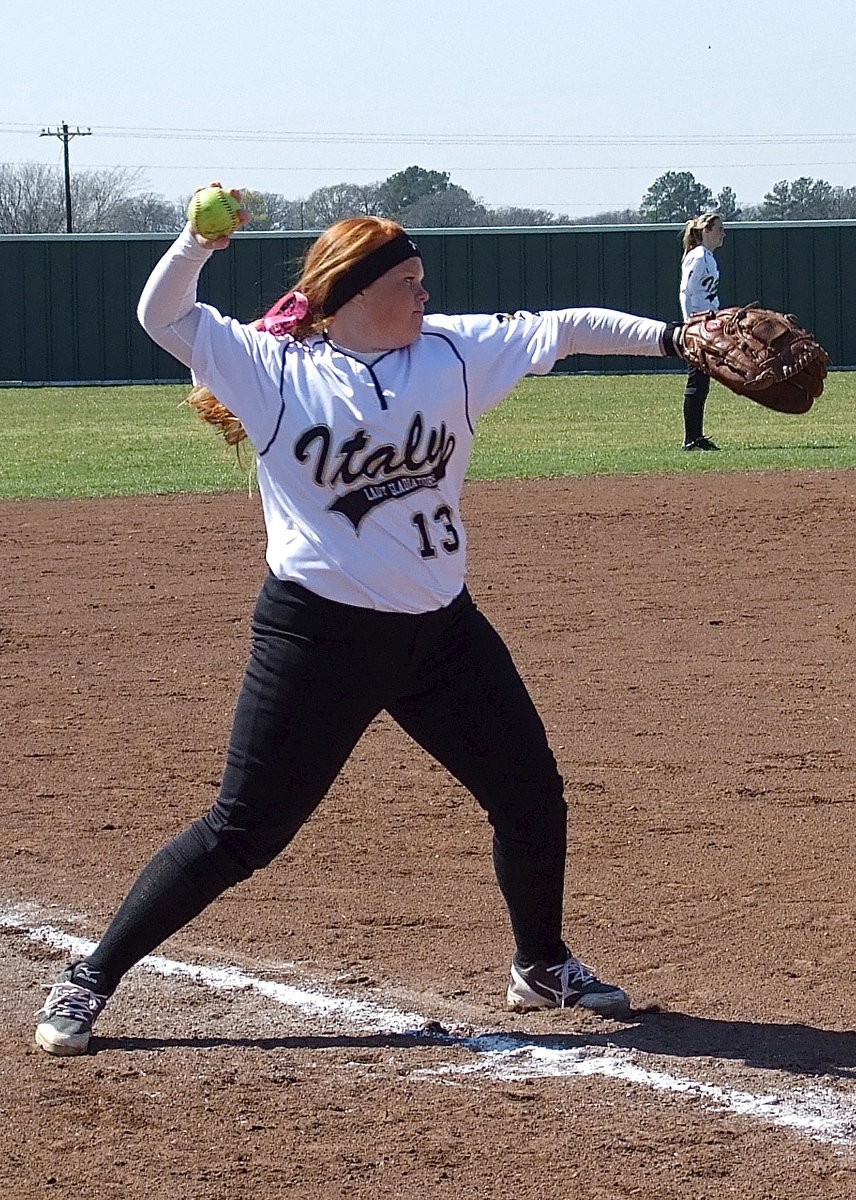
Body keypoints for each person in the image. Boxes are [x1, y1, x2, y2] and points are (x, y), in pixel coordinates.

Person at [35, 194, 691, 1056]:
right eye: (408, 282)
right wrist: (199, 242)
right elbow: (164, 314)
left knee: (530, 799)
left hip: (442, 635)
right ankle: (88, 980)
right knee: (242, 831)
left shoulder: (453, 353)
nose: (424, 294)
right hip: (320, 639)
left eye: (423, 279)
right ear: (349, 295)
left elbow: (564, 327)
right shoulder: (272, 368)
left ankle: (540, 964)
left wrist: (675, 341)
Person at [679, 212, 726, 451]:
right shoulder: (698, 256)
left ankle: (695, 437)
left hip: (707, 322)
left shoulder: (708, 257)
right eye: (719, 228)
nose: (723, 233)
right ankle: (691, 439)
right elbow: (686, 291)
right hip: (697, 324)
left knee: (702, 381)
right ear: (706, 231)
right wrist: (689, 323)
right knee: (697, 380)